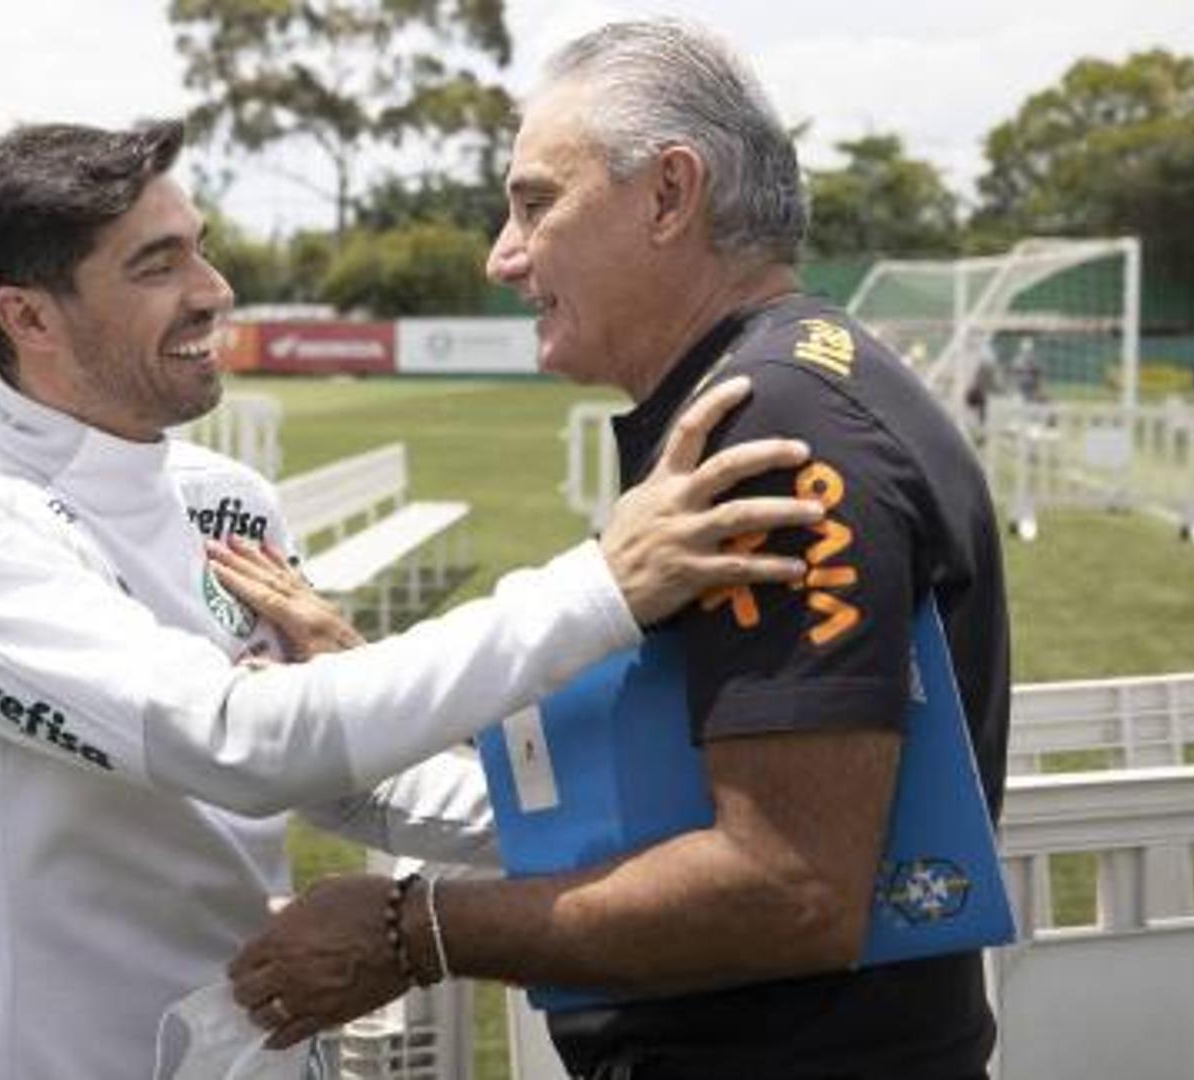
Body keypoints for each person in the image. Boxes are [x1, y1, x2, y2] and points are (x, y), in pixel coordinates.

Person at [0, 119, 823, 1080]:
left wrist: (664, 827)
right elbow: (242, 743)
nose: (214, 291)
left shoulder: (222, 499)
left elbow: (337, 776)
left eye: (201, 249)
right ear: (29, 319)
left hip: (253, 1055)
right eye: (157, 266)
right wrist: (599, 588)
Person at [226, 19, 1011, 1079]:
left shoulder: (774, 422)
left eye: (536, 204)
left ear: (669, 195)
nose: (503, 258)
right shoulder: (780, 385)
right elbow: (655, 797)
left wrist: (419, 934)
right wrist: (372, 683)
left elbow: (788, 889)